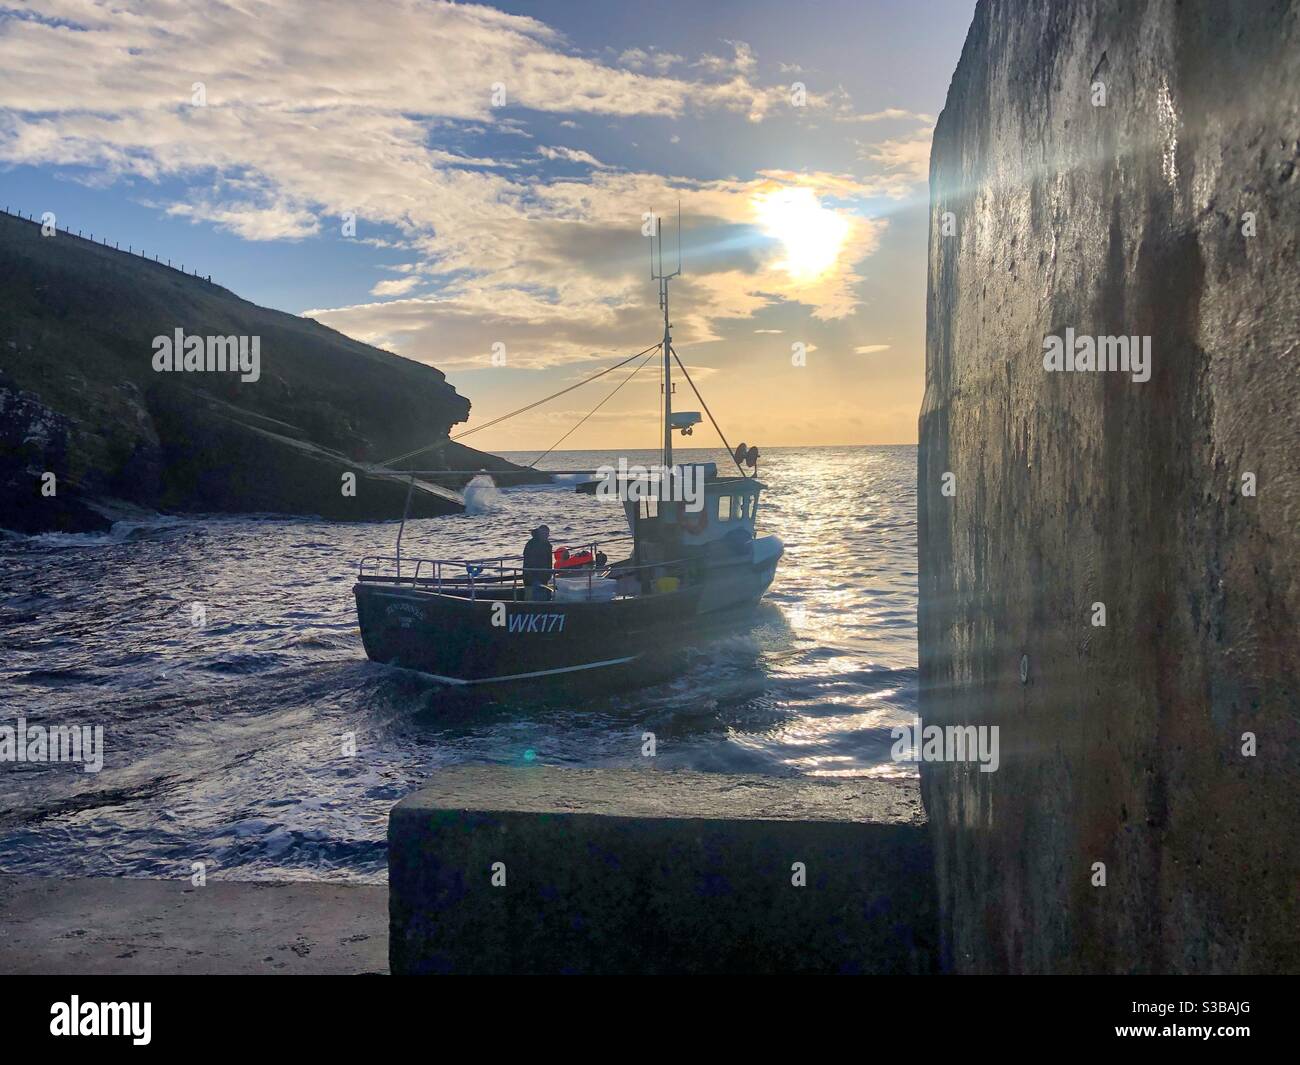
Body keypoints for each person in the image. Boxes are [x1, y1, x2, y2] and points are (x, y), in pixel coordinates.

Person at [522, 524, 553, 600]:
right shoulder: (532, 544)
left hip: (543, 576)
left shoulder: (547, 545)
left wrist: (548, 573)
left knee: (541, 596)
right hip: (533, 576)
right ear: (539, 534)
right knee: (535, 596)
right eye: (544, 534)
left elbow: (549, 561)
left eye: (547, 534)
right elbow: (529, 562)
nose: (546, 536)